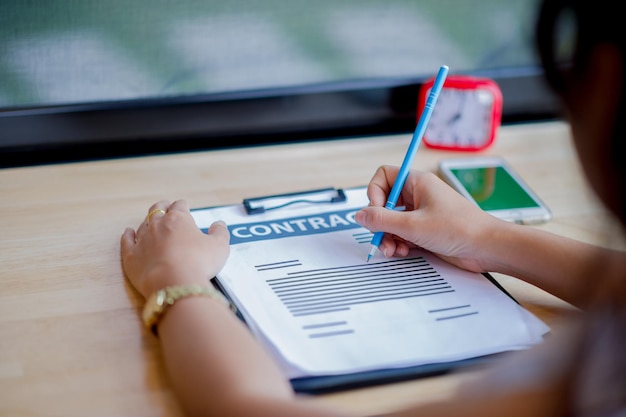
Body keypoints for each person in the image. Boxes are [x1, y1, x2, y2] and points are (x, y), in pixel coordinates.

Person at [120, 0, 626, 415]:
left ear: (603, 85)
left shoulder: (581, 383)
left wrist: (176, 282)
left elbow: (248, 407)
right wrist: (487, 240)